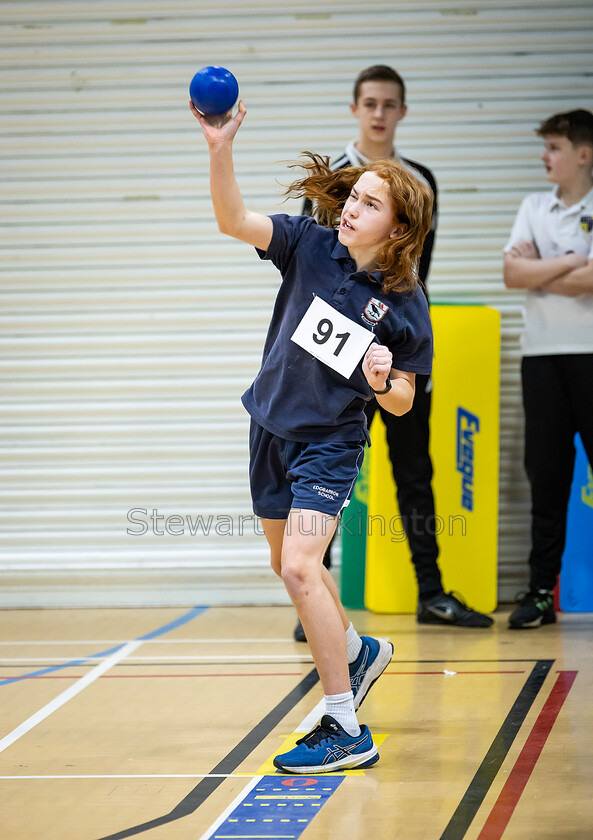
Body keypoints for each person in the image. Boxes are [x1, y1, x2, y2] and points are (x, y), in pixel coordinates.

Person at [190, 94, 434, 772]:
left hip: (330, 442)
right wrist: (220, 149)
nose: (350, 208)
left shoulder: (406, 304)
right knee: (286, 566)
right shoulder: (308, 244)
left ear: (397, 227)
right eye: (351, 196)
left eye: (368, 203)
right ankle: (357, 653)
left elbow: (404, 403)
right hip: (268, 425)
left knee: (301, 566)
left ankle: (343, 726)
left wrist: (384, 379)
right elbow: (231, 219)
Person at [293, 65, 493, 641]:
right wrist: (348, 347)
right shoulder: (335, 183)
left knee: (413, 471)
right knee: (319, 471)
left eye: (390, 105)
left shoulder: (419, 181)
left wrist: (391, 353)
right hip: (332, 358)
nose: (379, 113)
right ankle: (316, 601)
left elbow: (413, 274)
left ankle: (431, 592)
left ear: (402, 113)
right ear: (355, 109)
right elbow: (315, 272)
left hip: (394, 349)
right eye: (370, 103)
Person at [503, 108, 593, 629]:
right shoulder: (534, 205)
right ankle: (540, 592)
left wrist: (542, 266)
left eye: (554, 148)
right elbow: (512, 272)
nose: (545, 156)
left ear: (584, 154)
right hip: (540, 357)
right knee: (547, 474)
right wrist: (572, 261)